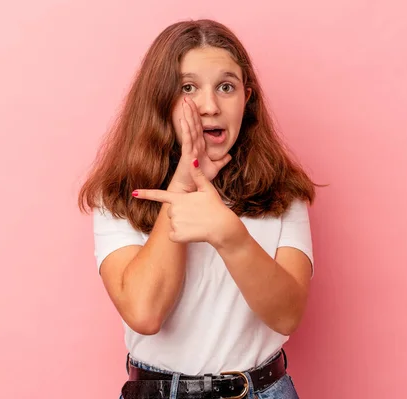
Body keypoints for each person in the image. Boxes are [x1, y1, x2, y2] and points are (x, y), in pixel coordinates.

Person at [78, 18, 317, 399]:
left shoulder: (282, 193)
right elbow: (144, 313)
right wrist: (183, 183)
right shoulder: (120, 195)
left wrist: (230, 236)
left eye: (226, 87)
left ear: (247, 98)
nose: (209, 107)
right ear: (160, 100)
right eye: (188, 88)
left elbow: (287, 315)